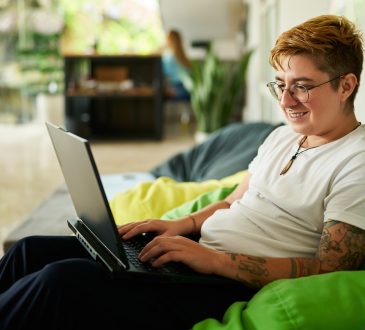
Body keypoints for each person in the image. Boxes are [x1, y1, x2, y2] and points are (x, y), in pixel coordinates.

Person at [1, 14, 365, 329]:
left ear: (345, 85)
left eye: (301, 87)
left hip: (220, 285)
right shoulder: (282, 137)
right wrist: (183, 225)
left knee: (61, 282)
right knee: (30, 250)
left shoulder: (357, 160)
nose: (286, 101)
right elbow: (232, 202)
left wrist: (216, 261)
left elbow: (327, 269)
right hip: (194, 258)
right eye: (281, 86)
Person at [161, 29, 192, 100]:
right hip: (189, 90)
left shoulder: (168, 58)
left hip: (177, 89)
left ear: (168, 41)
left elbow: (165, 76)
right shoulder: (185, 59)